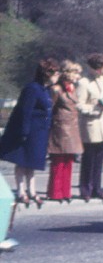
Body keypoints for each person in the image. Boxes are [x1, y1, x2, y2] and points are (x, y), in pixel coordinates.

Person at [0, 59, 59, 207]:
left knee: (32, 163)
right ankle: (21, 191)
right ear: (47, 74)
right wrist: (24, 131)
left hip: (40, 133)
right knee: (22, 162)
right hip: (29, 132)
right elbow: (24, 111)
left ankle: (32, 191)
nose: (57, 76)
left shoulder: (46, 90)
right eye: (56, 73)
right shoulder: (32, 89)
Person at [76, 53, 103, 202]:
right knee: (88, 158)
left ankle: (97, 189)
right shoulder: (84, 82)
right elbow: (79, 104)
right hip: (91, 125)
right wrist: (94, 109)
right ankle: (85, 189)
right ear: (99, 67)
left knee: (99, 159)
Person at [45, 61, 84, 203]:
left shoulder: (72, 88)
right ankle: (55, 192)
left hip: (72, 128)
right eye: (76, 73)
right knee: (58, 161)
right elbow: (49, 108)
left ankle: (65, 192)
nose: (78, 76)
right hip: (60, 129)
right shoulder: (56, 89)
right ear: (68, 74)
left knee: (69, 161)